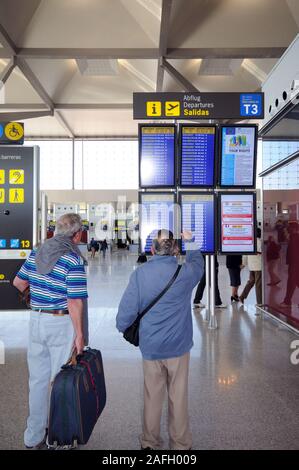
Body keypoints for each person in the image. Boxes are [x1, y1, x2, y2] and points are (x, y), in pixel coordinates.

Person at [116, 229, 204, 450]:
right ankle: (181, 444)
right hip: (179, 346)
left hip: (151, 347)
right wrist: (190, 241)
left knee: (152, 396)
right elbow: (198, 264)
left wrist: (124, 327)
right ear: (175, 249)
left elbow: (125, 314)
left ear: (152, 249)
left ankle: (150, 443)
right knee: (179, 396)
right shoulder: (185, 273)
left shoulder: (140, 274)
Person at [13, 213, 88, 450]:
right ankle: (60, 439)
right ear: (76, 234)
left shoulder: (38, 253)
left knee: (37, 381)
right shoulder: (72, 259)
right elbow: (74, 301)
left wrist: (37, 297)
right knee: (61, 382)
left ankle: (33, 436)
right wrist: (79, 335)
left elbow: (19, 282)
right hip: (59, 323)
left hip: (36, 320)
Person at [239, 228, 262, 306]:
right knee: (258, 284)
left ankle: (242, 296)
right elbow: (262, 253)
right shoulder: (259, 242)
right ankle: (260, 302)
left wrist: (244, 263)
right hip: (259, 266)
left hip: (251, 266)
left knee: (251, 282)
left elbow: (245, 254)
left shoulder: (249, 242)